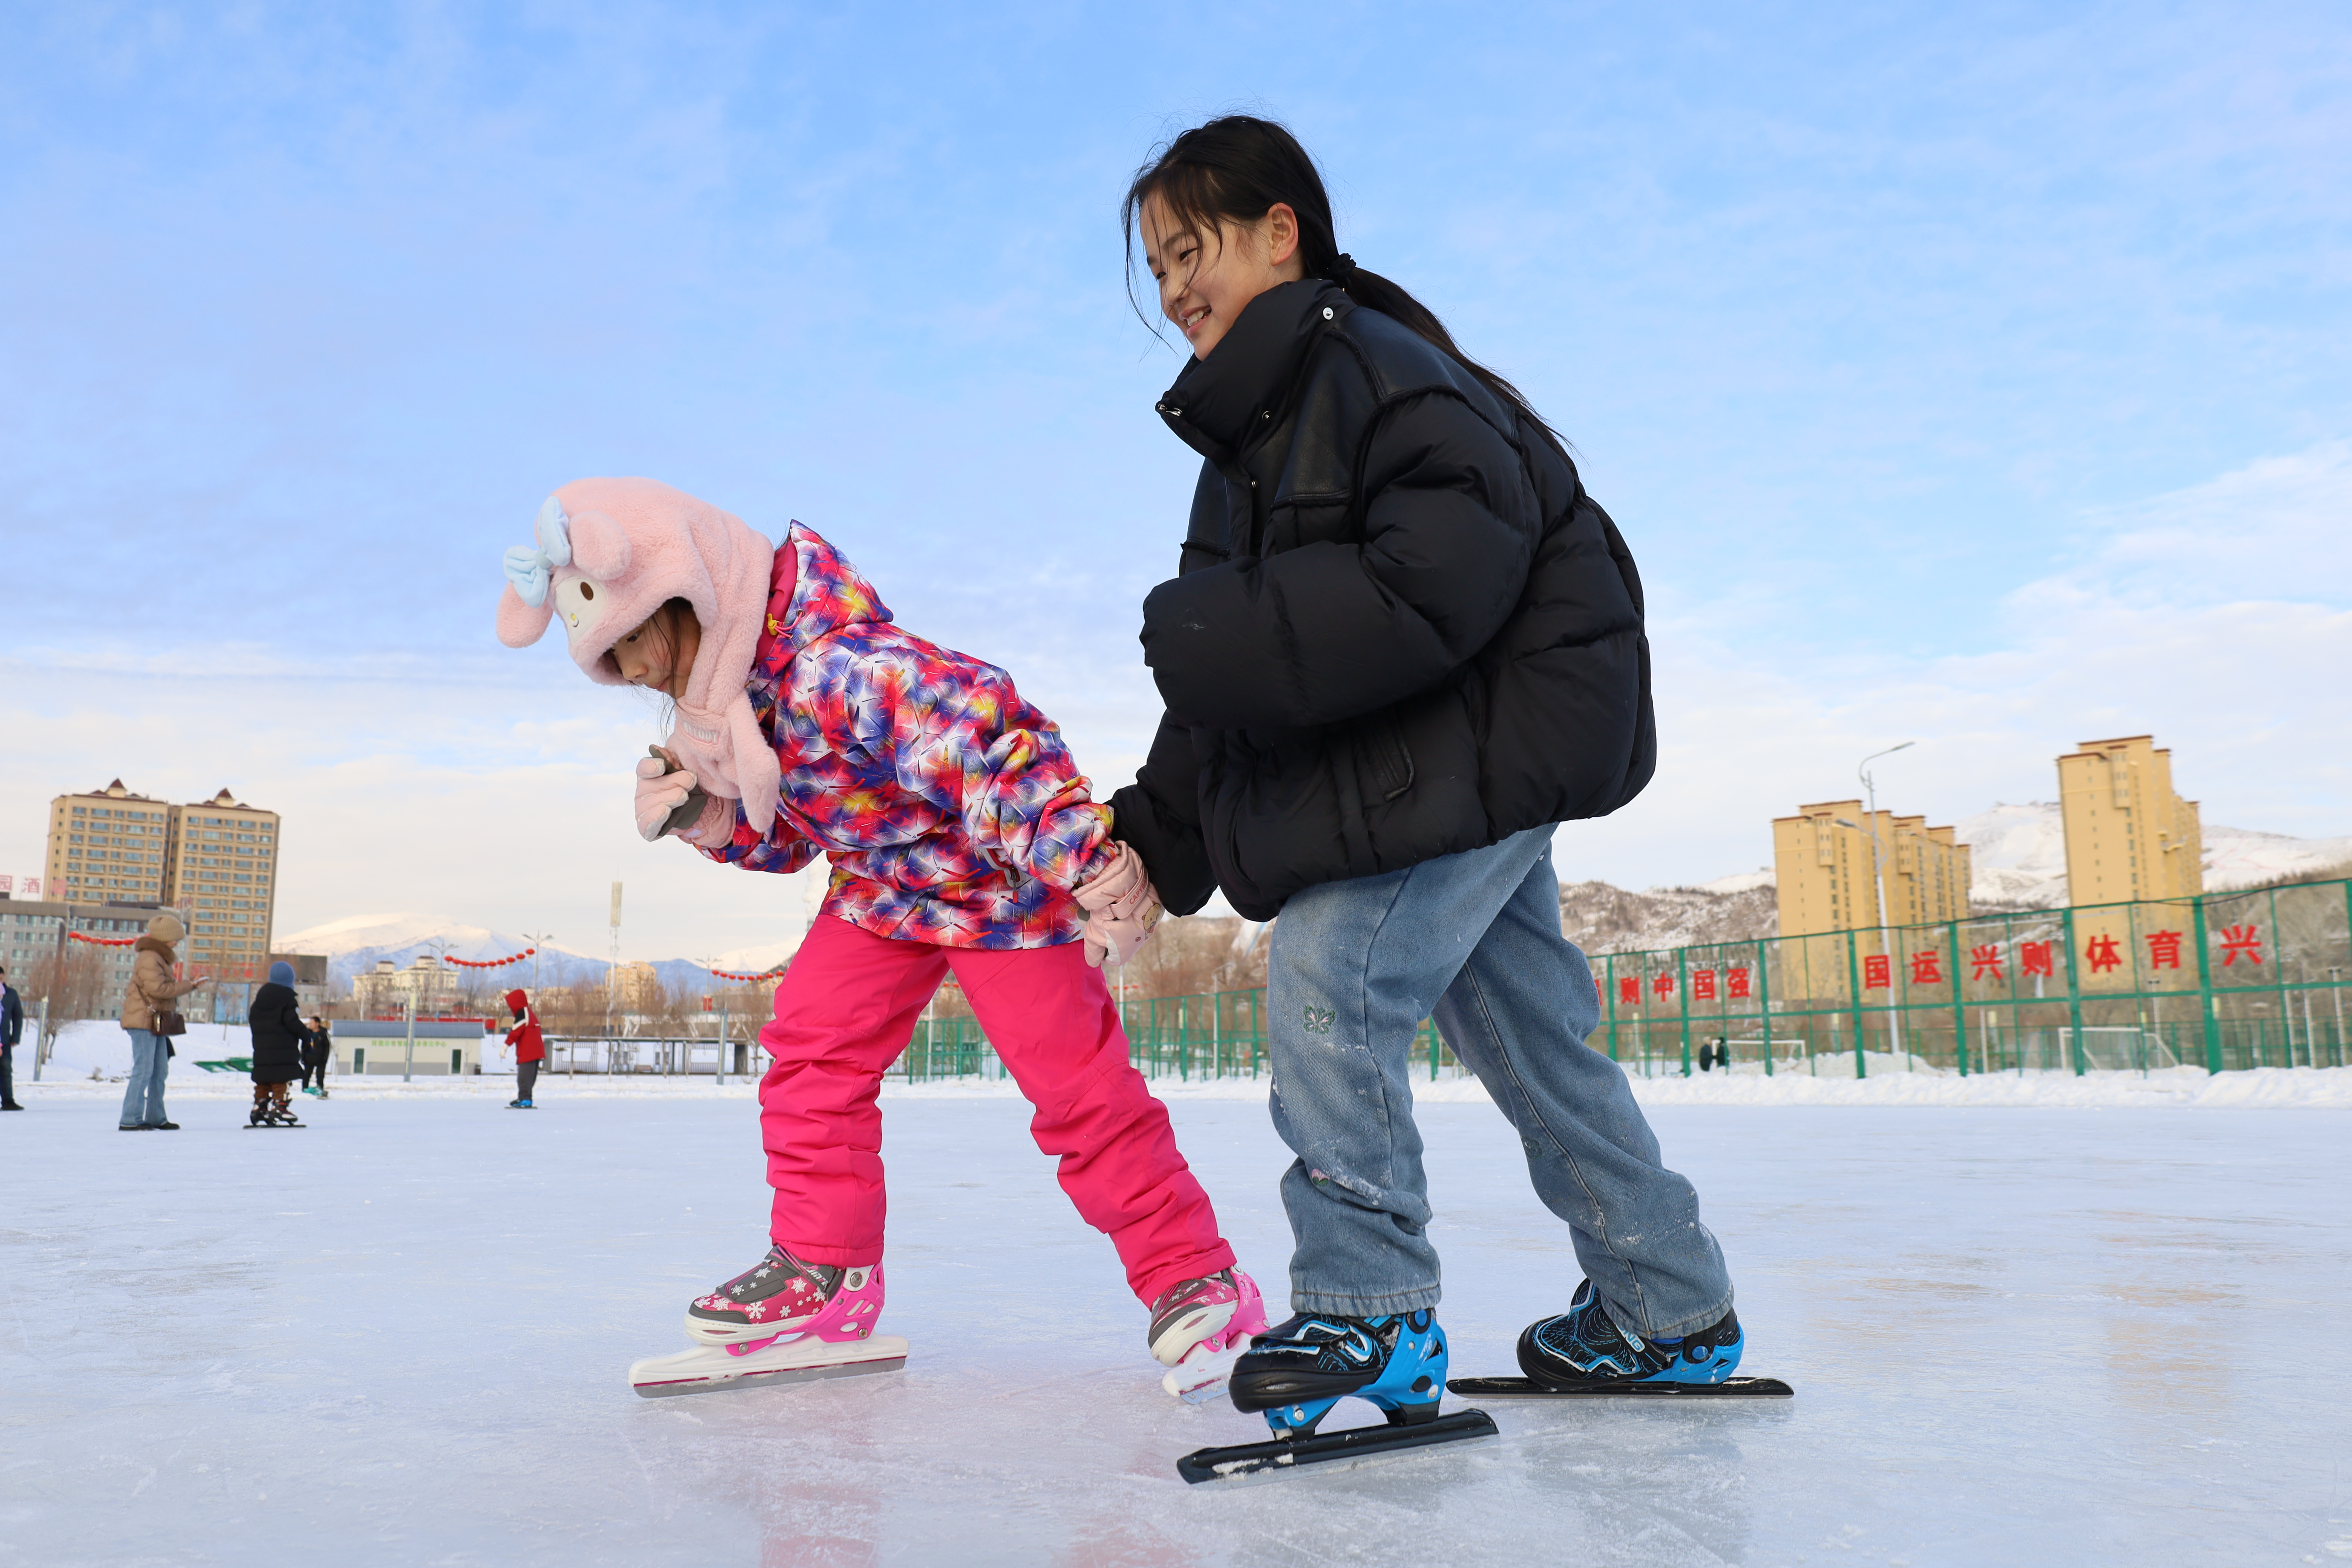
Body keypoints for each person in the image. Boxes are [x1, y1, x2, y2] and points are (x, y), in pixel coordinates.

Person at [1111, 116, 1740, 1439]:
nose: (1172, 290)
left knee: (1330, 971)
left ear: (1280, 230)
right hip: (1458, 754)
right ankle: (1668, 1308)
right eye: (1154, 268)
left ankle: (1374, 1309)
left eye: (1190, 249)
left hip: (1479, 737)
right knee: (1527, 1039)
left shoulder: (1373, 371)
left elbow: (1438, 571)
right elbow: (1232, 683)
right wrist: (1152, 837)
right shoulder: (1255, 442)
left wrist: (1209, 625)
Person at [493, 476, 1266, 1395]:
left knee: (1075, 1089)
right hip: (882, 895)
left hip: (995, 886)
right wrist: (707, 814)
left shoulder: (840, 666)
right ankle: (829, 1274)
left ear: (689, 594)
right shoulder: (743, 703)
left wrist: (1089, 862)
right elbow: (797, 837)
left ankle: (1194, 1276)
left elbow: (991, 740)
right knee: (810, 1057)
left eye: (634, 643)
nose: (638, 674)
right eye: (611, 664)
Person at [119, 914, 210, 1131]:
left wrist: (190, 985)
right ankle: (130, 1119)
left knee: (160, 1070)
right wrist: (190, 986)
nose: (177, 943)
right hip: (142, 1021)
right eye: (175, 938)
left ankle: (155, 1117)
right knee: (143, 1070)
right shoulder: (150, 958)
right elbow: (159, 990)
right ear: (163, 937)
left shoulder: (158, 958)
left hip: (154, 1022)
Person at [246, 960, 308, 1126]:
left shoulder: (259, 1001)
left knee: (264, 1079)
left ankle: (259, 1107)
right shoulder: (287, 999)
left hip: (262, 1050)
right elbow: (292, 1022)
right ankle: (280, 1107)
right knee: (281, 1079)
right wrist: (307, 1035)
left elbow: (253, 1020)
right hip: (283, 1050)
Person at [498, 988, 544, 1108]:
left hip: (528, 1052)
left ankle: (525, 1100)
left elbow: (516, 1032)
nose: (510, 1008)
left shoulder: (522, 1014)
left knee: (524, 1078)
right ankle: (525, 1098)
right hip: (536, 1051)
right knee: (529, 1078)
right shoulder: (529, 1012)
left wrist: (505, 1046)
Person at [0, 964, 23, 1110]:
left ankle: (9, 1102)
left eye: (1, 979)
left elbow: (18, 1016)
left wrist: (15, 1037)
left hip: (5, 1040)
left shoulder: (11, 994)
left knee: (6, 1069)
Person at [300, 1015, 333, 1098]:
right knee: (306, 1076)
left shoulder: (323, 1034)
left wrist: (325, 1059)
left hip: (320, 1060)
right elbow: (304, 1046)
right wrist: (303, 1057)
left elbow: (327, 1047)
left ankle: (320, 1092)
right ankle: (305, 1091)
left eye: (312, 1023)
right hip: (309, 1059)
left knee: (320, 1077)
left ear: (317, 1024)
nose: (310, 1025)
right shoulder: (308, 1034)